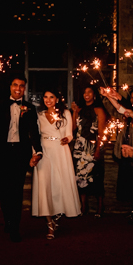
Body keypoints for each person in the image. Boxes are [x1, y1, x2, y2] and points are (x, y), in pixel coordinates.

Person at [0, 76, 43, 242]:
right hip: (2, 152)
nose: (18, 88)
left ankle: (15, 227)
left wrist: (37, 152)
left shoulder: (30, 108)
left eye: (21, 86)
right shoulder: (1, 104)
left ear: (24, 89)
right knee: (3, 190)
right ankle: (8, 220)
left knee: (16, 191)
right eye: (15, 85)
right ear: (10, 87)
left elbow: (34, 132)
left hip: (20, 152)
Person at [31, 88, 81, 238]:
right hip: (44, 152)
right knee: (44, 186)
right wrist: (35, 154)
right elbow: (35, 136)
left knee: (60, 185)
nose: (48, 100)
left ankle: (57, 216)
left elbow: (70, 134)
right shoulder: (39, 115)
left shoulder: (65, 113)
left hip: (60, 151)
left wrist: (68, 139)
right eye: (45, 97)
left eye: (51, 97)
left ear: (57, 99)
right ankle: (49, 224)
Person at [71, 86, 108, 216]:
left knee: (96, 177)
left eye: (89, 92)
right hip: (79, 147)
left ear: (94, 95)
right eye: (84, 92)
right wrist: (75, 111)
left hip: (92, 147)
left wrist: (98, 149)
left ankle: (99, 207)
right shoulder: (79, 110)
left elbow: (102, 133)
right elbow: (73, 128)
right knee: (80, 177)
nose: (86, 94)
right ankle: (83, 207)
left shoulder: (99, 110)